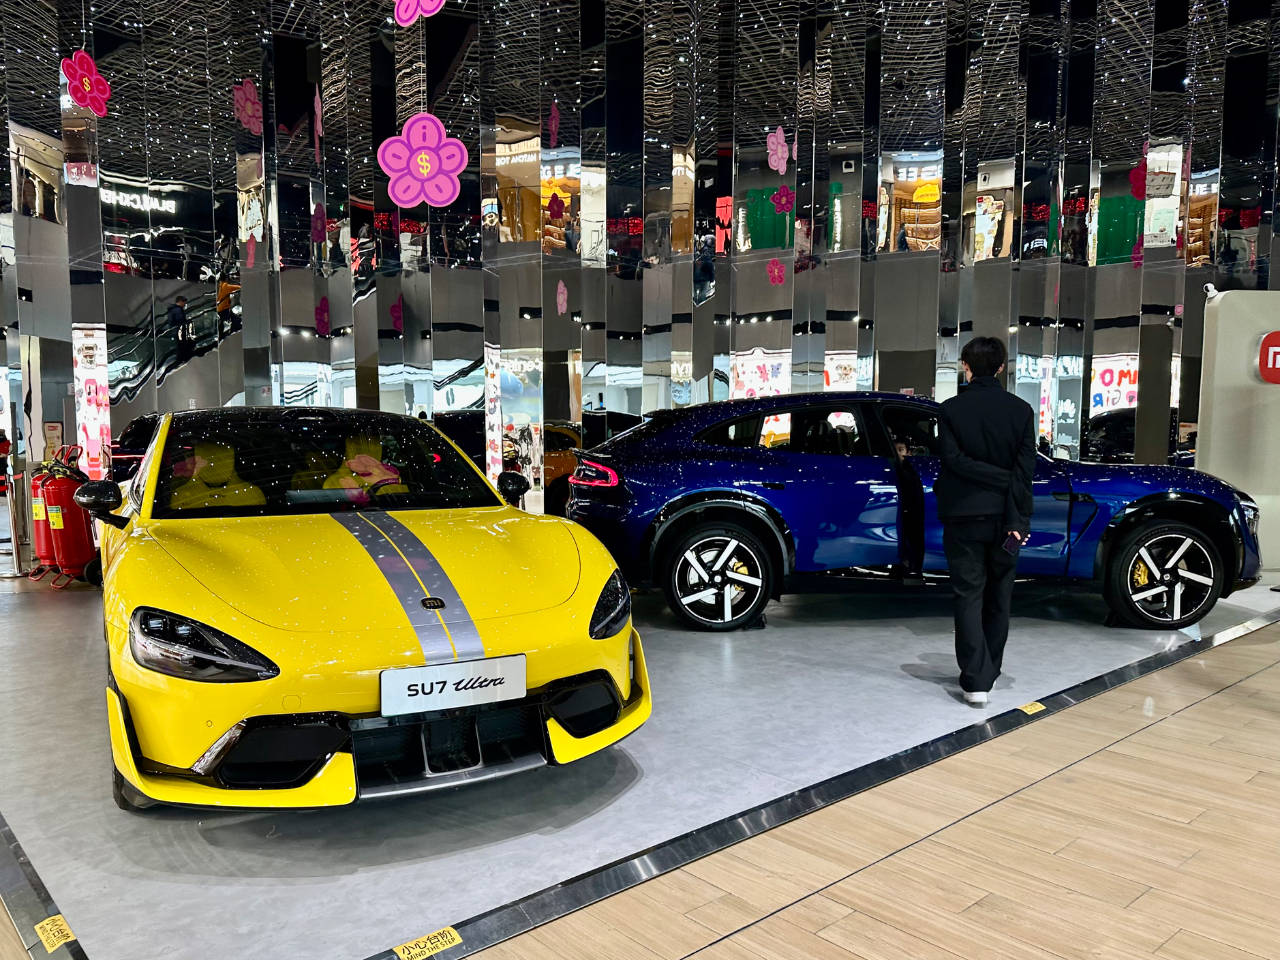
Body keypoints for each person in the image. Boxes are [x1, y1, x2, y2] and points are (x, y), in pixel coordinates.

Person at [935, 336, 1036, 706]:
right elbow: (1025, 473)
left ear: (965, 366)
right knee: (1000, 596)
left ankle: (975, 679)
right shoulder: (1021, 411)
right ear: (1001, 367)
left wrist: (996, 478)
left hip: (962, 516)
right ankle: (988, 670)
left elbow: (954, 461)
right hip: (1007, 519)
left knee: (968, 594)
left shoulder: (950, 410)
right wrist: (1018, 518)